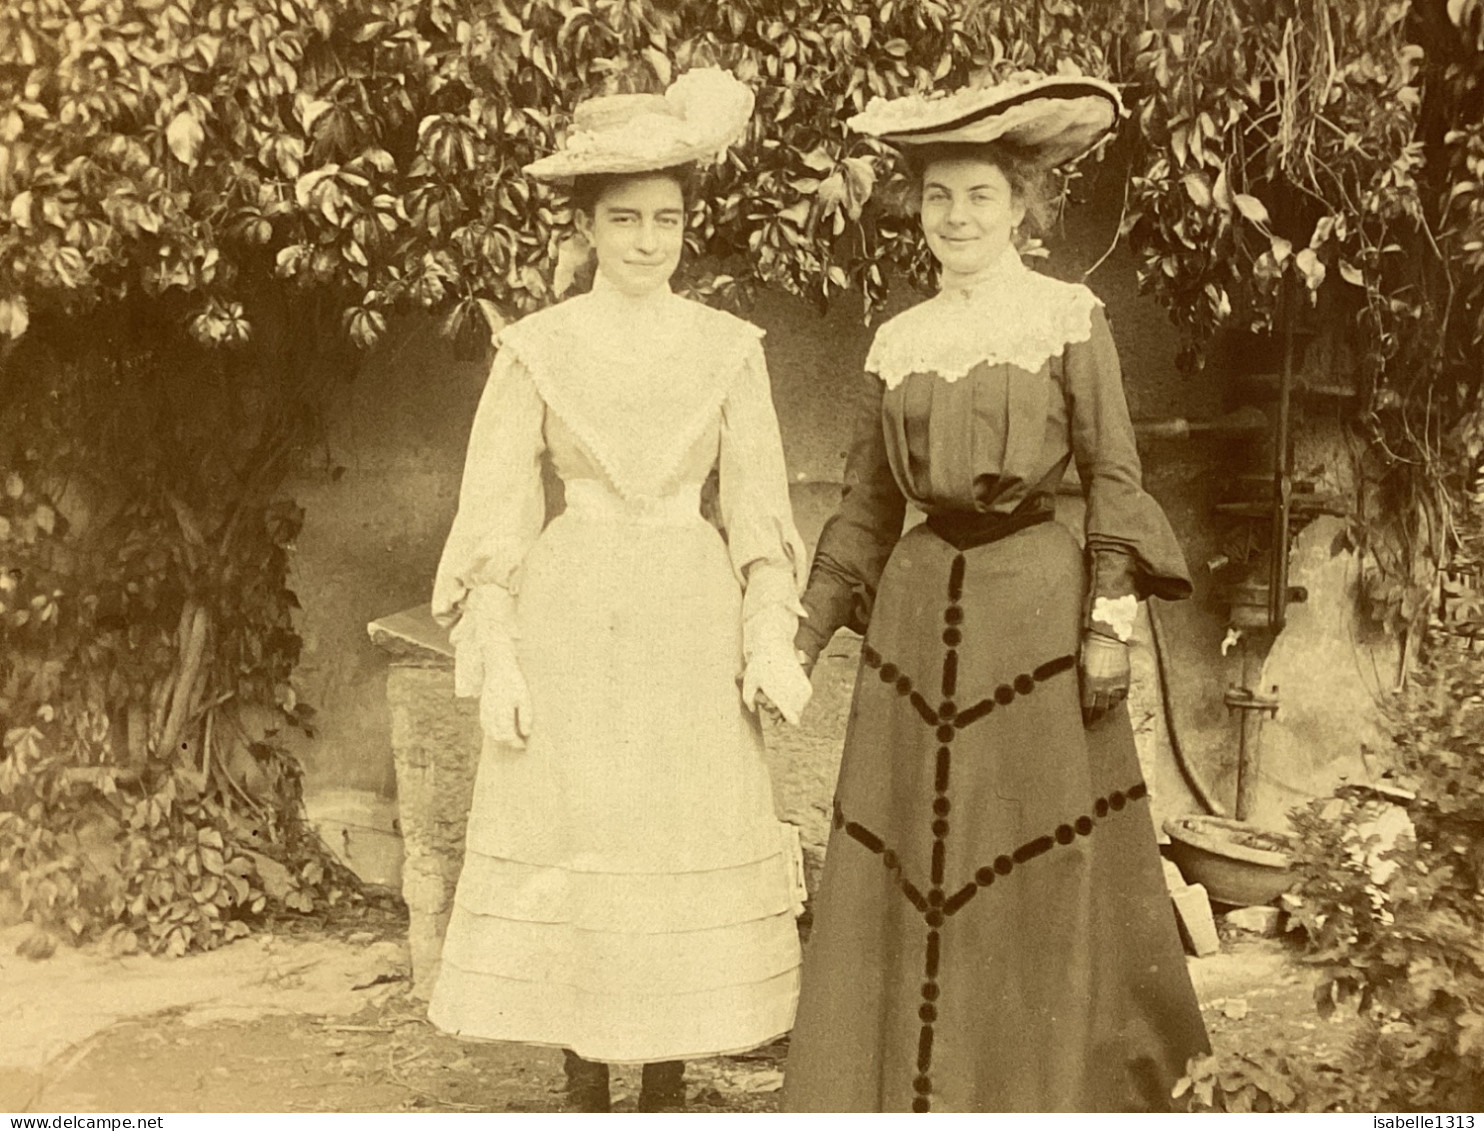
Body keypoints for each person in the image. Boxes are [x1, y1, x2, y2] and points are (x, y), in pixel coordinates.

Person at [781, 74, 1211, 1112]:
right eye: (937, 198)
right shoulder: (899, 337)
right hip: (917, 623)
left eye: (979, 195)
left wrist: (1107, 620)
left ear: (1022, 206)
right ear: (916, 210)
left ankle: (1031, 1087)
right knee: (911, 862)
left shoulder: (1066, 316)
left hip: (1036, 612)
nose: (957, 217)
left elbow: (1113, 473)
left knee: (1030, 858)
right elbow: (864, 508)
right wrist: (792, 641)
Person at [427, 68, 813, 1113]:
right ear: (587, 227)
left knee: (675, 831)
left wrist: (767, 631)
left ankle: (669, 1083)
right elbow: (498, 512)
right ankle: (585, 1079)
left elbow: (760, 514)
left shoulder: (727, 348)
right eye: (624, 219)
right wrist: (496, 648)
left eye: (667, 219)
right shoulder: (537, 349)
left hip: (687, 618)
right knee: (582, 831)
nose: (648, 240)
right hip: (574, 616)